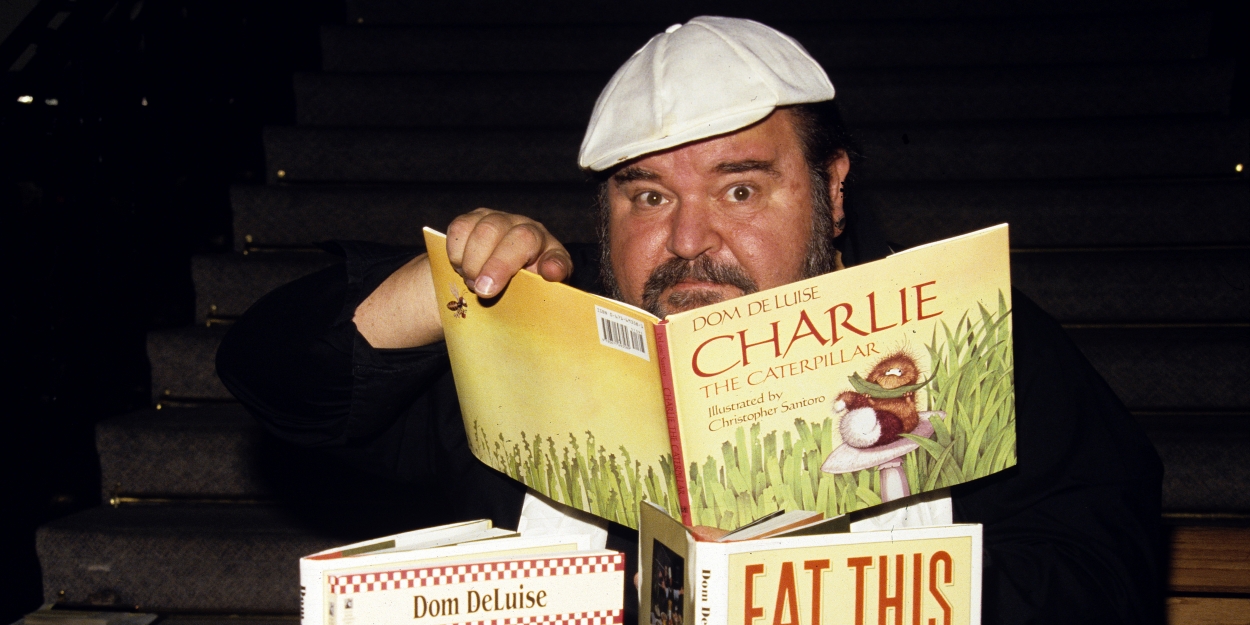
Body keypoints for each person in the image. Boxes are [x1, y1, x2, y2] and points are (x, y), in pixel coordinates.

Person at [217, 16, 1163, 624]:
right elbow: (276, 377)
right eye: (647, 198)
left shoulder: (972, 337)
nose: (690, 239)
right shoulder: (530, 351)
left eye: (742, 186)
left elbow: (1103, 579)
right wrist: (441, 290)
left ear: (833, 191)